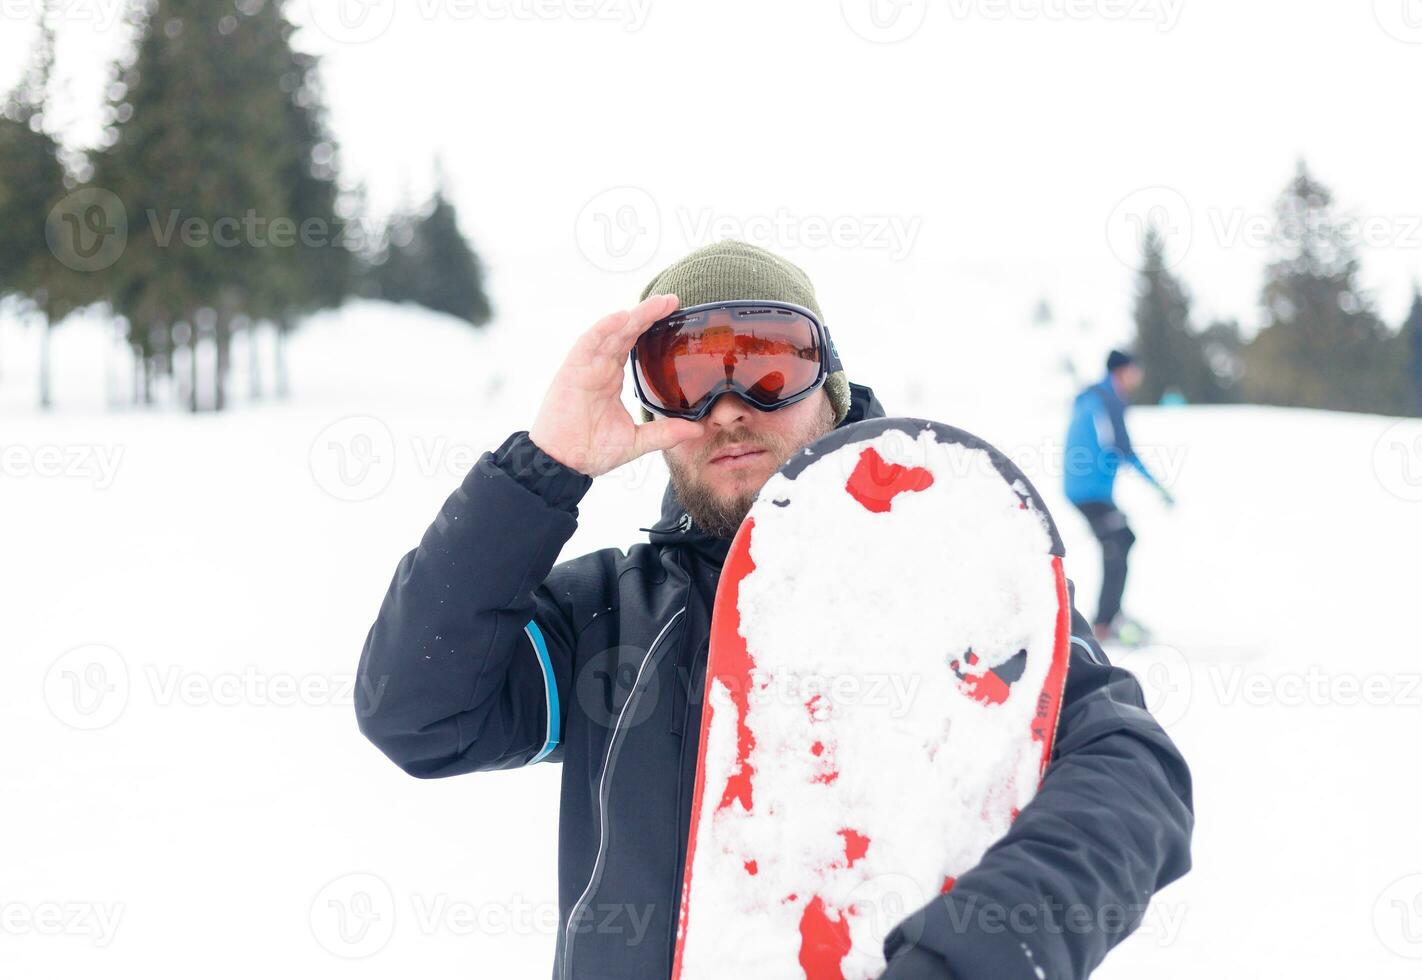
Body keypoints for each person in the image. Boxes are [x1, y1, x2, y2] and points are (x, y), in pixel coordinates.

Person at [355, 242, 1193, 980]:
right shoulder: (610, 618)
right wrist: (543, 468)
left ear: (828, 384)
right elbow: (416, 710)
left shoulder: (947, 570)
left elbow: (1132, 772)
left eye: (768, 364)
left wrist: (973, 953)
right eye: (682, 377)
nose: (726, 407)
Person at [1063, 350, 1175, 646]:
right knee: (1119, 541)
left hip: (1085, 491)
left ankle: (1108, 617)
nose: (1137, 378)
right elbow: (1122, 447)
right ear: (1122, 371)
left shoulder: (1094, 396)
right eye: (1134, 371)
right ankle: (1104, 622)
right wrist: (1158, 486)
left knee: (1121, 541)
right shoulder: (1109, 399)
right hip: (1090, 494)